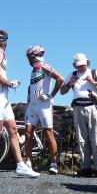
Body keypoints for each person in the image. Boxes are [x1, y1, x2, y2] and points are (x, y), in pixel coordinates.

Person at [0, 29, 40, 180]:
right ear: (5, 42)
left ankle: (20, 165)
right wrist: (10, 83)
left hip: (1, 96)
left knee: (13, 129)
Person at [59, 53, 97, 177]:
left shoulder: (94, 73)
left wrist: (94, 82)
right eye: (79, 65)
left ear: (87, 63)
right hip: (78, 107)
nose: (80, 67)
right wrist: (70, 83)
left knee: (96, 137)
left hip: (93, 106)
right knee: (82, 139)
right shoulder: (72, 75)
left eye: (82, 65)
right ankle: (86, 167)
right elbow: (62, 91)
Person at [23, 46, 64, 174]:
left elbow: (60, 79)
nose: (27, 59)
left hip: (44, 105)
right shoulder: (34, 69)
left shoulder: (44, 66)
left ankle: (54, 164)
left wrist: (50, 95)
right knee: (28, 133)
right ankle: (28, 162)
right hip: (32, 105)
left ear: (33, 55)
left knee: (48, 133)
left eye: (28, 57)